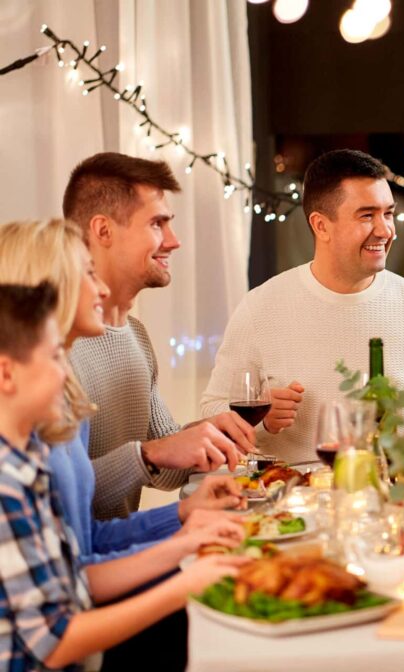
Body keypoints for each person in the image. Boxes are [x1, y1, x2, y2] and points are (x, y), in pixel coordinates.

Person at [0, 282, 247, 671]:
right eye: (55, 357)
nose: (68, 374)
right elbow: (54, 643)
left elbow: (78, 576)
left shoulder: (29, 465)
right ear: (7, 374)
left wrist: (187, 542)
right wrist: (182, 585)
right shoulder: (7, 482)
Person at [202, 149, 404, 463]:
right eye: (366, 215)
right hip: (290, 497)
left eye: (388, 213)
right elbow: (214, 408)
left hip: (392, 496)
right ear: (321, 226)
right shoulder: (260, 306)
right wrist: (262, 419)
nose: (385, 230)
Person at [0, 219, 245, 565]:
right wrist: (183, 551)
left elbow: (87, 540)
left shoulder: (69, 394)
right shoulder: (26, 414)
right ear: (48, 286)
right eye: (88, 274)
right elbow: (75, 582)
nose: (102, 289)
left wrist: (186, 512)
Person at [63, 152, 256, 520]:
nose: (174, 241)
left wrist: (215, 431)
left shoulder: (135, 334)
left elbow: (167, 469)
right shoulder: (54, 343)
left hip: (122, 548)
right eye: (157, 224)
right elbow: (57, 493)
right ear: (103, 230)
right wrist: (154, 453)